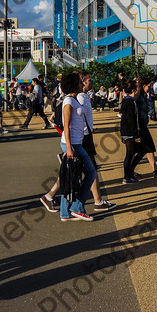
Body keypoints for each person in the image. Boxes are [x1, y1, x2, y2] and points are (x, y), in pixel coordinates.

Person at [40, 72, 116, 213]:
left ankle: (56, 202)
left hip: (81, 138)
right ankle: (89, 203)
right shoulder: (76, 98)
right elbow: (69, 123)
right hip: (79, 139)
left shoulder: (80, 97)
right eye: (84, 81)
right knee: (86, 171)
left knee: (72, 172)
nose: (88, 82)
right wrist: (69, 146)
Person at [55, 72, 96, 221]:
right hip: (72, 144)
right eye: (79, 82)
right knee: (91, 172)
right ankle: (77, 207)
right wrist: (70, 148)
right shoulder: (68, 102)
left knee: (72, 176)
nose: (82, 84)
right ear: (74, 85)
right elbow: (66, 126)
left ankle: (65, 213)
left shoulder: (74, 99)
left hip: (76, 142)